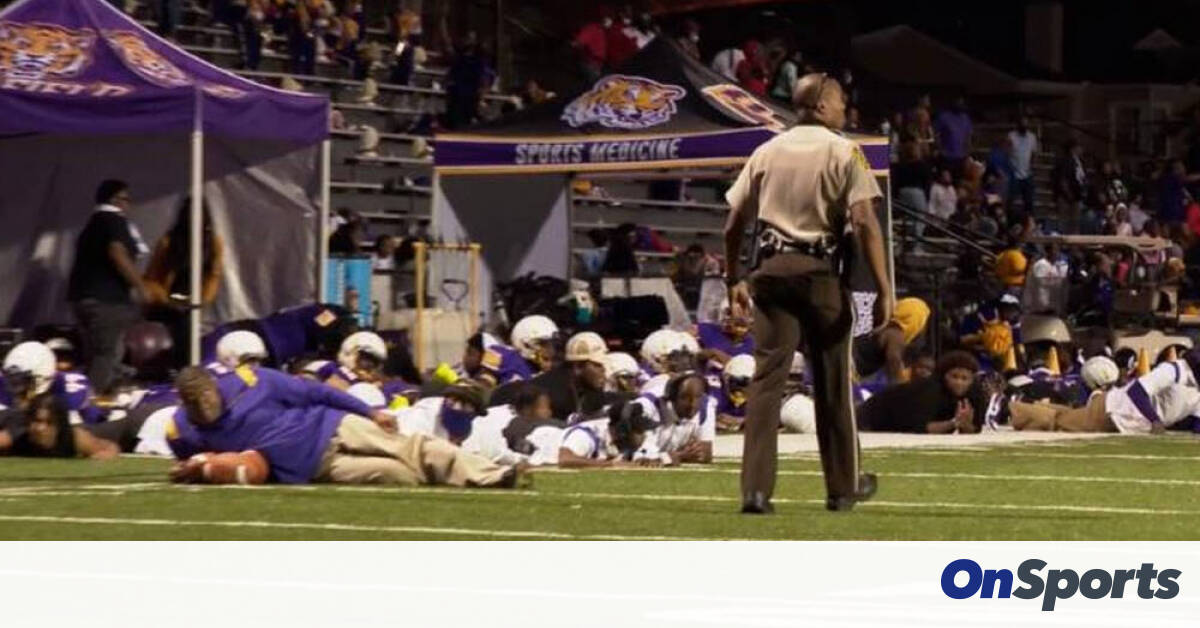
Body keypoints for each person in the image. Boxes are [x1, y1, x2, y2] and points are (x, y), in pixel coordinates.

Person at [724, 72, 893, 514]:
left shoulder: (766, 150)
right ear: (820, 106)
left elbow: (733, 223)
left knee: (766, 383)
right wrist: (884, 288)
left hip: (771, 272)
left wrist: (732, 278)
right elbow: (864, 221)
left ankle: (755, 491)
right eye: (840, 101)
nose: (845, 108)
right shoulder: (843, 150)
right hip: (820, 274)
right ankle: (843, 487)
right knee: (833, 382)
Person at [167, 365, 524, 488]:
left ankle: (492, 475)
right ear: (184, 402)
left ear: (215, 388)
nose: (204, 408)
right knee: (397, 475)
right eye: (195, 404)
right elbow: (192, 461)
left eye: (207, 398)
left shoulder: (252, 381)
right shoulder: (181, 430)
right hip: (313, 467)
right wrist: (196, 469)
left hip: (331, 425)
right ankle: (457, 477)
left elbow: (316, 391)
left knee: (413, 448)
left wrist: (369, 412)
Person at [69, 179, 149, 396]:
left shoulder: (92, 224)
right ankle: (91, 402)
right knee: (107, 355)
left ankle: (85, 397)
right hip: (106, 300)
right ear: (115, 200)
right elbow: (117, 252)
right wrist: (141, 286)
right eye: (126, 199)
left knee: (93, 356)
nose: (128, 204)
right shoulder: (113, 220)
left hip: (82, 298)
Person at [1011, 355, 1199, 434]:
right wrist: (1155, 420)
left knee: (1069, 416)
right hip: (1113, 409)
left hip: (1127, 421)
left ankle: (1031, 404)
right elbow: (1137, 391)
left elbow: (1195, 422)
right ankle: (1011, 407)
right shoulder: (1173, 370)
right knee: (1059, 422)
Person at [142, 198, 224, 369]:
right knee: (180, 329)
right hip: (167, 301)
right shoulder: (169, 242)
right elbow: (151, 278)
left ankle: (187, 369)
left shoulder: (213, 243)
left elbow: (214, 276)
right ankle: (178, 369)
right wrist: (165, 300)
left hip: (194, 301)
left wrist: (202, 300)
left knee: (188, 329)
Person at [489, 332, 623, 421]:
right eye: (597, 365)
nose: (604, 370)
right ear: (578, 367)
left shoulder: (586, 389)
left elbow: (604, 399)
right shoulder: (555, 394)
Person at [856, 351, 985, 434]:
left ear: (972, 380)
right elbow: (920, 428)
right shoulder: (930, 390)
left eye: (964, 378)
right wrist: (953, 423)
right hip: (870, 417)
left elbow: (973, 430)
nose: (959, 382)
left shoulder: (975, 394)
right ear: (944, 376)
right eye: (954, 376)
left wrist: (965, 424)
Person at [557, 399, 659, 468]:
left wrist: (647, 460)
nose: (644, 436)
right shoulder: (586, 434)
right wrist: (611, 465)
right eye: (639, 431)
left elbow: (652, 455)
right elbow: (565, 459)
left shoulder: (623, 441)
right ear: (623, 431)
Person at [852, 297, 931, 385]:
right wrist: (900, 388)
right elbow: (894, 360)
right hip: (851, 366)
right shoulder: (896, 333)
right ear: (915, 321)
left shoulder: (888, 328)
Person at [479, 315, 558, 388]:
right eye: (542, 344)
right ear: (525, 344)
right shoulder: (505, 356)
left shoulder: (547, 371)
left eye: (550, 343)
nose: (549, 349)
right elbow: (484, 385)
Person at [1007, 117, 1038, 217]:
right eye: (1022, 124)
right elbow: (1007, 152)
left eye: (1026, 124)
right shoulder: (1012, 136)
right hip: (1014, 173)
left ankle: (1029, 219)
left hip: (1027, 173)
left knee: (1029, 201)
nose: (1024, 126)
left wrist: (1032, 166)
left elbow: (1034, 153)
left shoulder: (1032, 137)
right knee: (1011, 199)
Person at [935, 96, 973, 177]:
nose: (960, 104)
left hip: (961, 156)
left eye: (961, 102)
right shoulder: (943, 117)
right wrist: (941, 150)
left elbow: (968, 137)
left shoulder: (966, 118)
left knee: (960, 179)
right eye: (958, 102)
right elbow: (937, 135)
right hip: (947, 156)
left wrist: (967, 154)